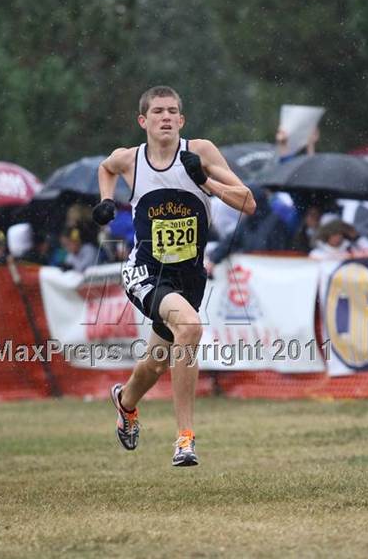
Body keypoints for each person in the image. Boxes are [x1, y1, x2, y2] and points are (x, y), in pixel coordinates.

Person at [92, 85, 256, 466]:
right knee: (191, 326)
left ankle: (126, 401)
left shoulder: (201, 153)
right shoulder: (130, 159)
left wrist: (206, 182)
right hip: (145, 271)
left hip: (189, 277)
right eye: (157, 111)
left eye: (172, 112)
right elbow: (106, 167)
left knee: (156, 362)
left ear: (181, 120)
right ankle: (185, 439)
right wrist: (104, 200)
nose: (165, 117)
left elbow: (248, 203)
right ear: (143, 121)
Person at [206, 185, 288, 275]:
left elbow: (279, 253)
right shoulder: (248, 221)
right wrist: (213, 260)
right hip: (253, 274)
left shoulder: (275, 222)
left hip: (268, 274)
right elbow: (230, 241)